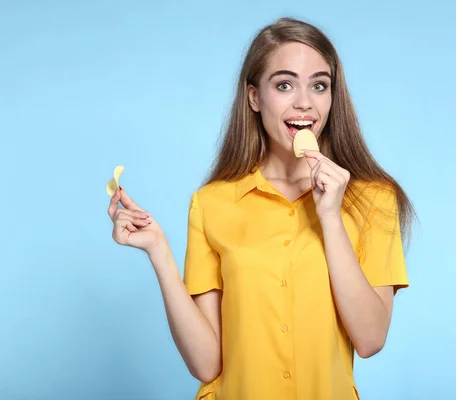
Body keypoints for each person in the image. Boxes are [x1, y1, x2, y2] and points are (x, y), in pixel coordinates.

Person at [107, 17, 415, 400]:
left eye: (319, 85)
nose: (305, 102)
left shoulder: (372, 199)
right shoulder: (212, 203)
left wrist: (331, 217)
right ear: (254, 97)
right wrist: (158, 252)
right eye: (284, 85)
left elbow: (370, 339)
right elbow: (206, 365)